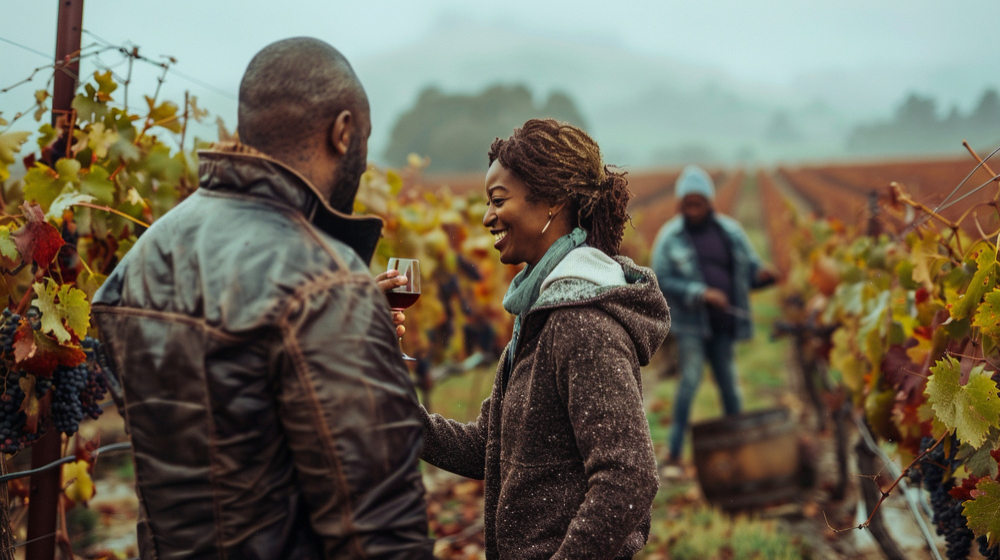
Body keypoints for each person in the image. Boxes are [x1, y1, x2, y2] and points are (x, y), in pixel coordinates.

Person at [92, 38, 434, 559]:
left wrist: (354, 339)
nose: (364, 167)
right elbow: (380, 529)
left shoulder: (140, 259)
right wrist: (349, 323)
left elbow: (222, 439)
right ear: (343, 133)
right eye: (363, 141)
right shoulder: (326, 282)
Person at [418, 119, 670, 560]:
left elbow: (629, 475)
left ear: (554, 201)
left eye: (498, 200)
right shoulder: (539, 317)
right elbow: (489, 447)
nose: (486, 216)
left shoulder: (582, 326)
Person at [651, 165, 780, 466]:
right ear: (680, 205)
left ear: (710, 202)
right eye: (688, 203)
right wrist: (701, 293)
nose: (694, 209)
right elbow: (662, 281)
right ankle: (674, 452)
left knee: (730, 386)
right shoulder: (669, 238)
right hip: (691, 326)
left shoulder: (731, 232)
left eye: (699, 203)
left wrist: (765, 276)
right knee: (689, 383)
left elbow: (749, 272)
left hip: (724, 324)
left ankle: (739, 447)